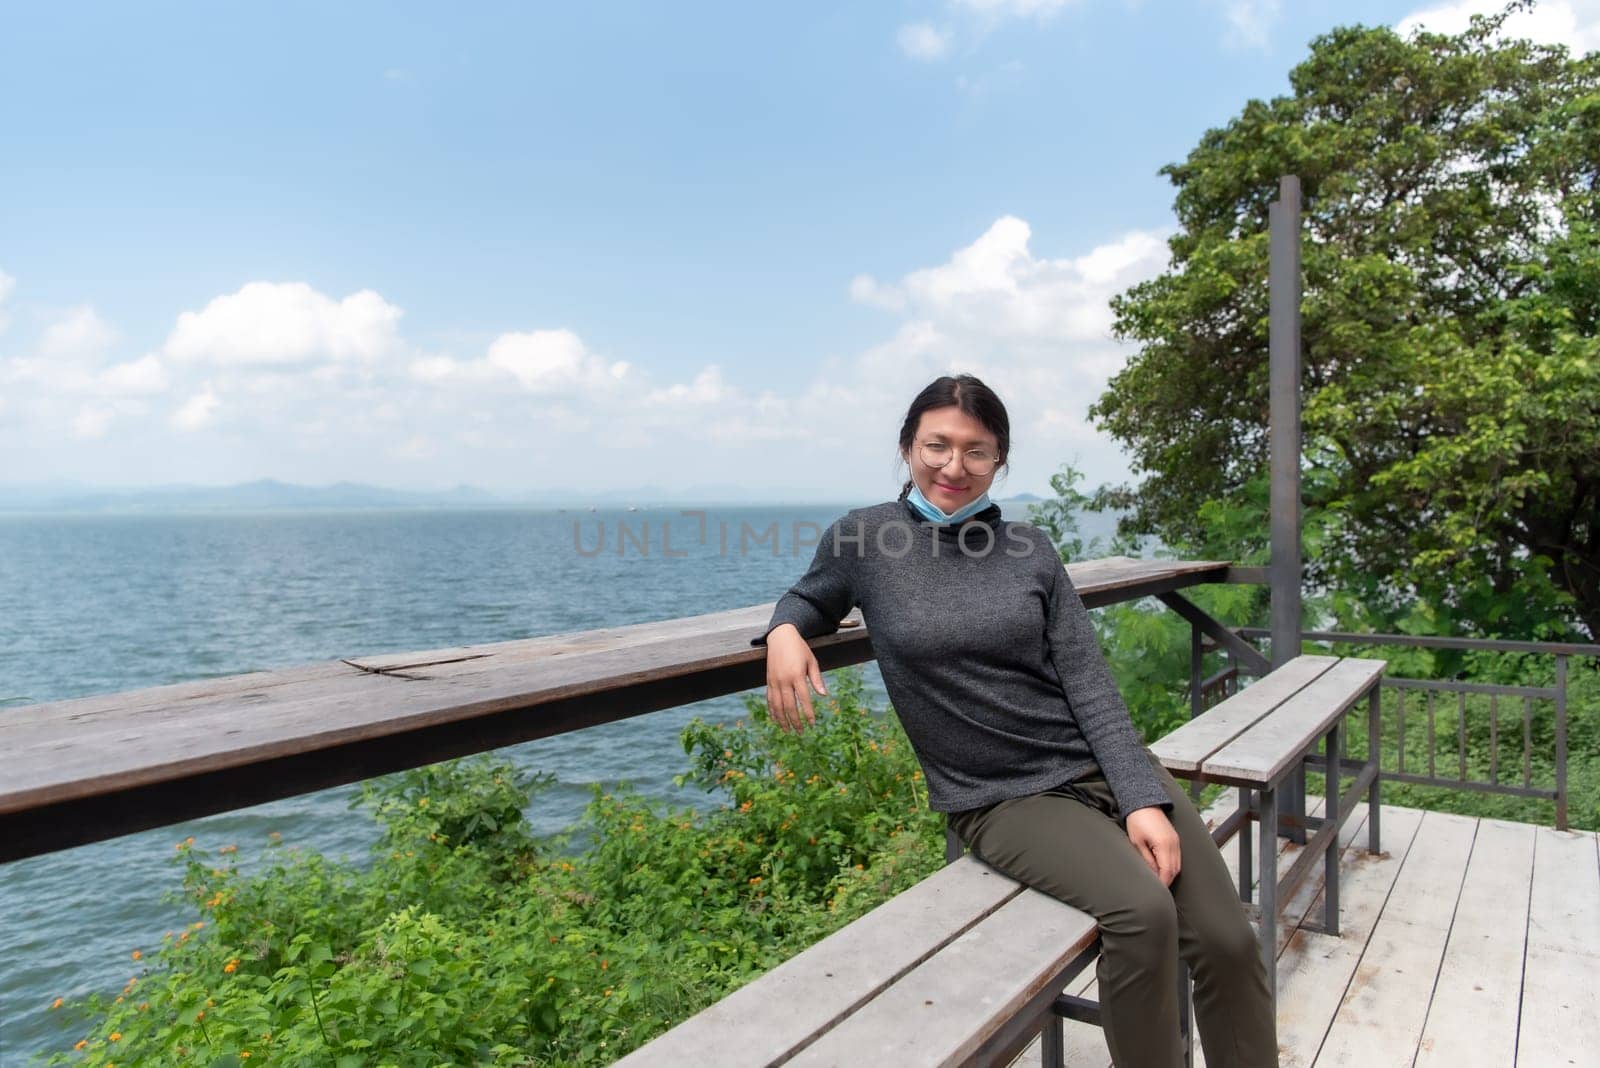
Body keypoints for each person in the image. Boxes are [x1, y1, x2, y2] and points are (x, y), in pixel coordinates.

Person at [751, 373, 1276, 1068]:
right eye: (936, 445)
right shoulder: (866, 538)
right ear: (907, 447)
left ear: (1000, 459)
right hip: (1001, 797)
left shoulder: (1030, 548)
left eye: (977, 450)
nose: (954, 466)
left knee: (1228, 940)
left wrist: (1140, 798)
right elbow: (807, 597)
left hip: (1100, 765)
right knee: (1141, 915)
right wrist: (786, 631)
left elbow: (1088, 683)